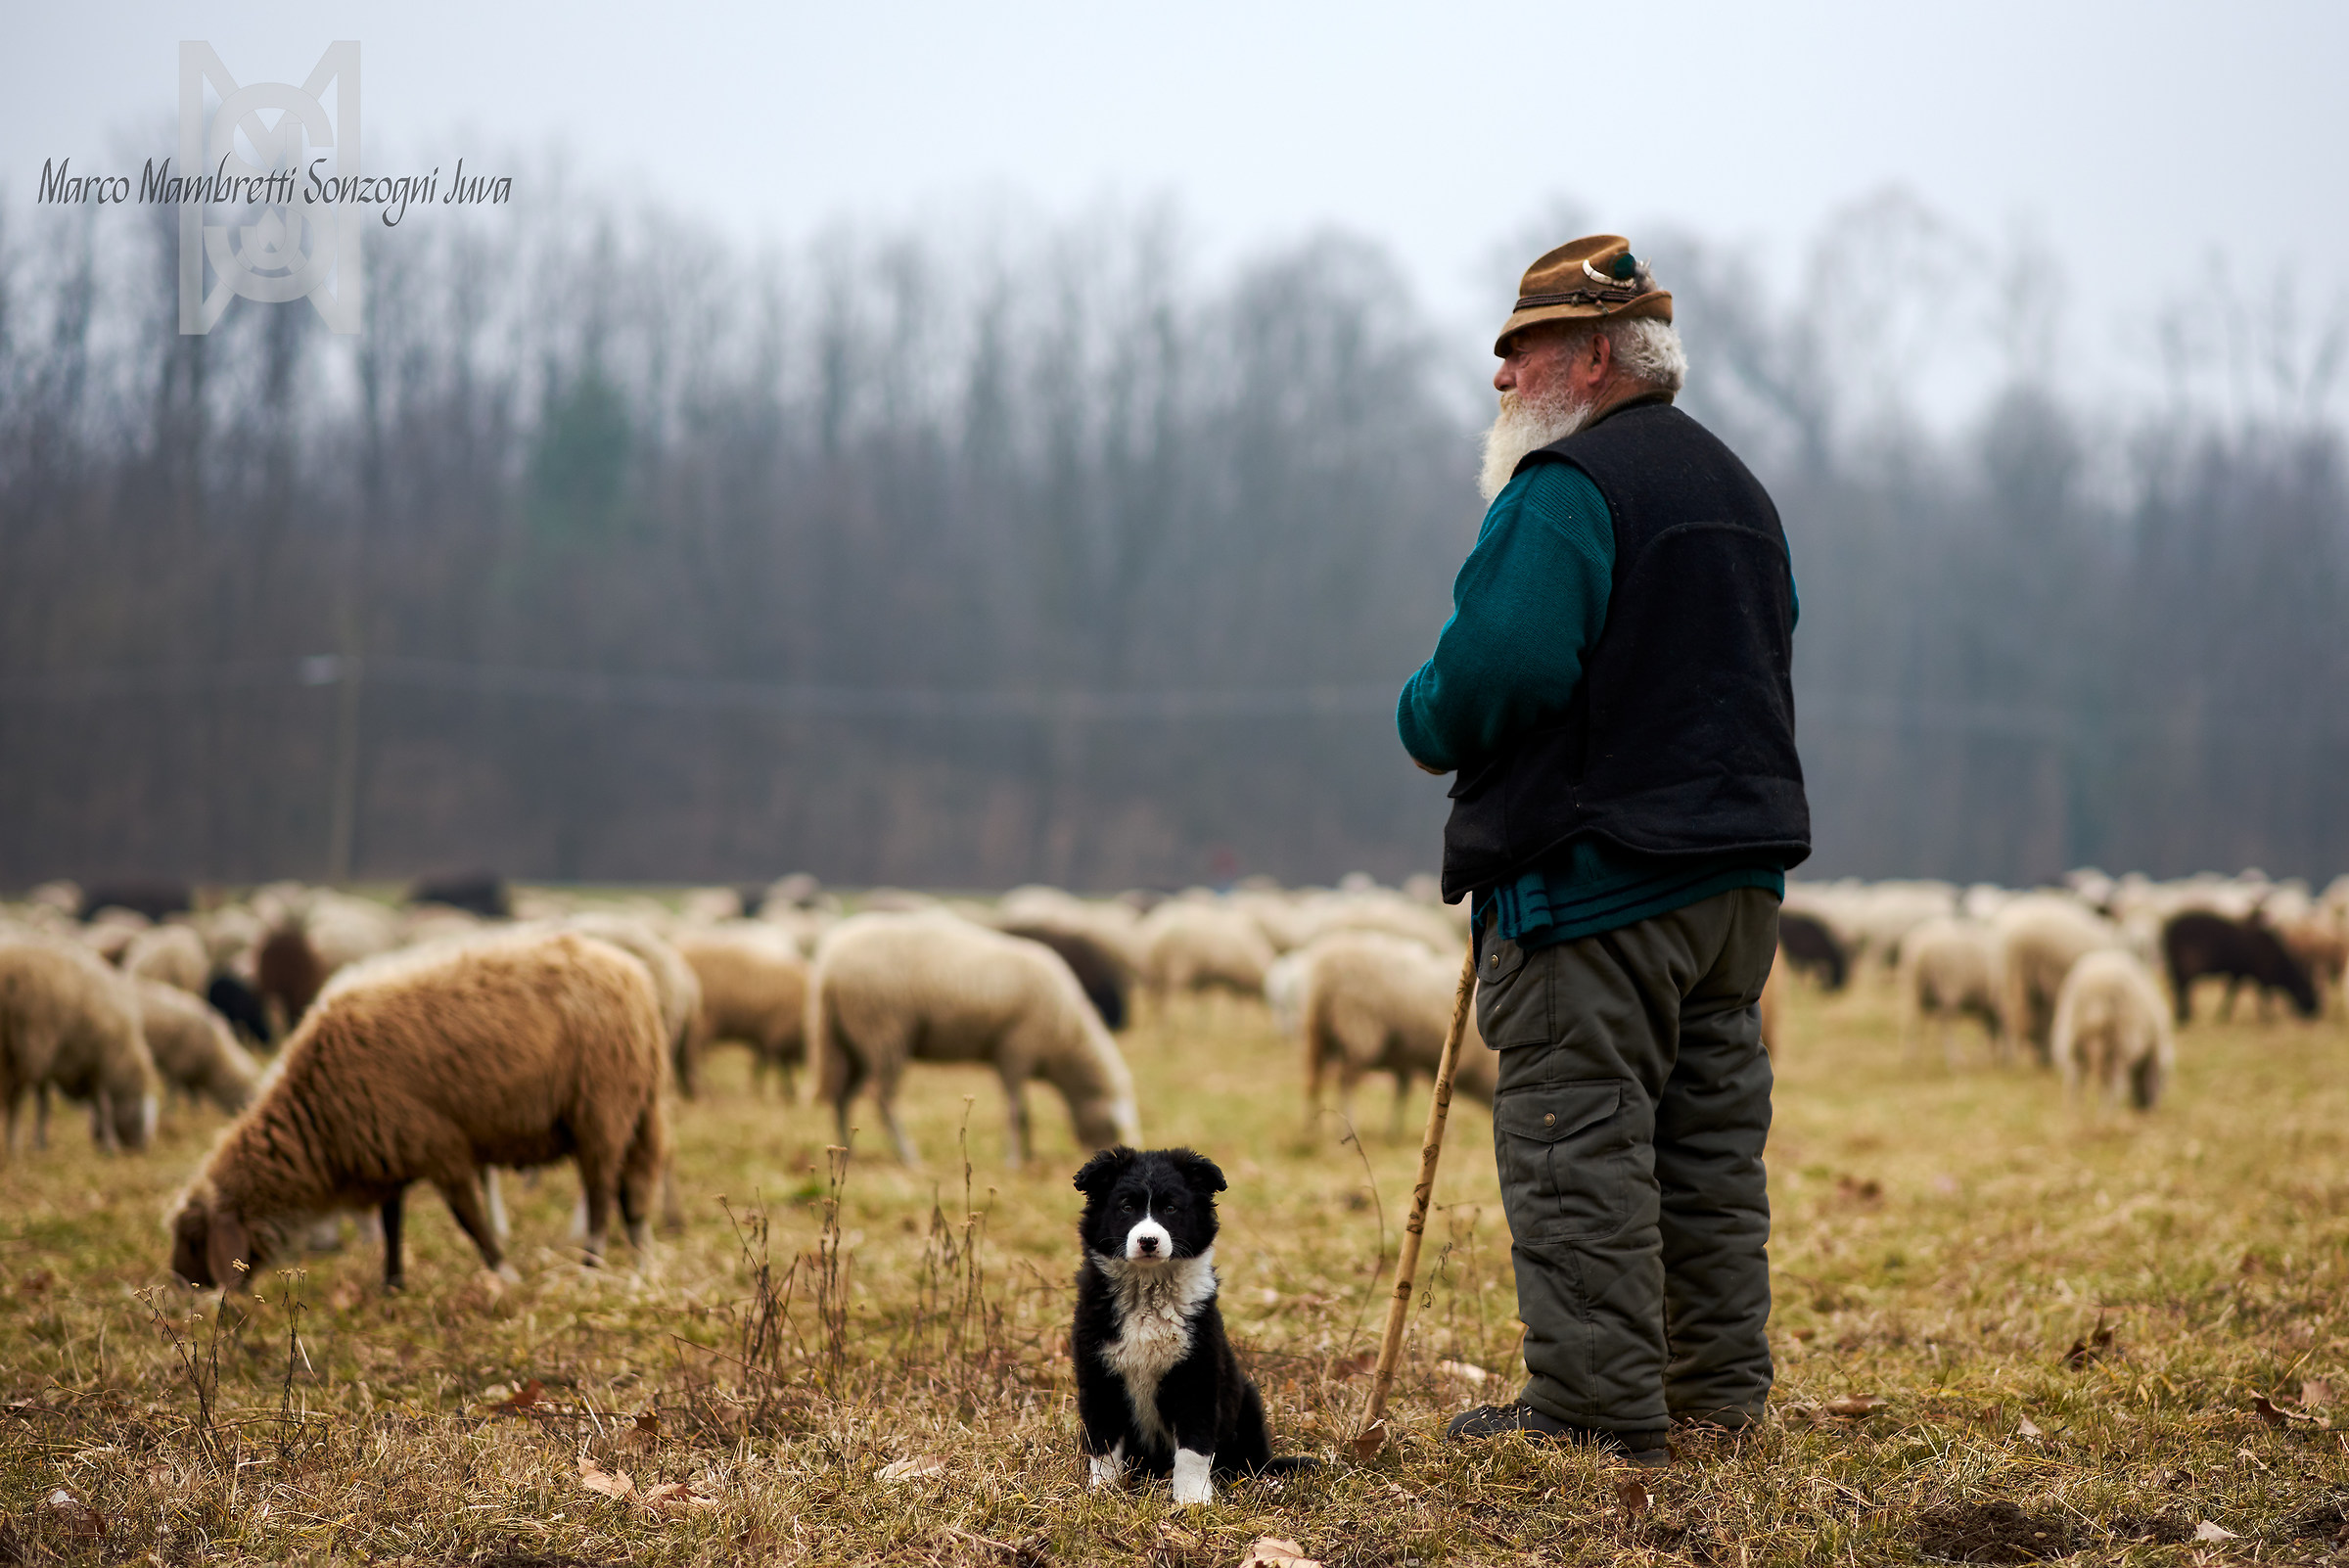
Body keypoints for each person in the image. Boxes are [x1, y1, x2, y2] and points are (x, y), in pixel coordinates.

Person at [1398, 235, 1809, 1469]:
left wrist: (1423, 709)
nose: (1501, 380)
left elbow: (1499, 667)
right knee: (1706, 1149)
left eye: (1519, 352)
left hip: (1595, 886)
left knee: (1579, 1138)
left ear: (1589, 355)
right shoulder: (1739, 492)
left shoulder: (1568, 491)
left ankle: (1592, 1410)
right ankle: (1717, 1397)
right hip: (1734, 890)